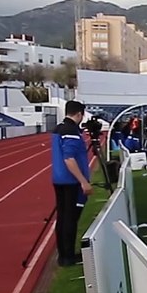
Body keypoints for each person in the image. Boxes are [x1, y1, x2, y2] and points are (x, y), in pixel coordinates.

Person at [51, 100, 92, 267]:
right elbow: (69, 158)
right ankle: (67, 256)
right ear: (79, 114)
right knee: (69, 219)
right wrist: (83, 181)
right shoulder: (71, 132)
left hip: (58, 179)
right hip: (70, 181)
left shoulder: (59, 129)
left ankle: (64, 254)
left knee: (62, 218)